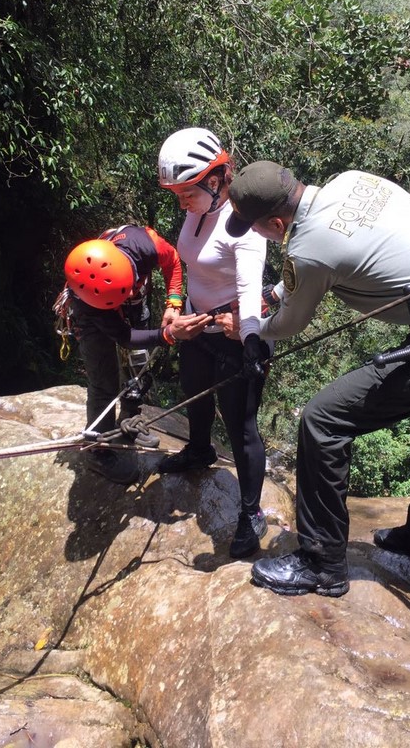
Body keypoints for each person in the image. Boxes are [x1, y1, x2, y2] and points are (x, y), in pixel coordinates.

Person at [225, 160, 410, 596]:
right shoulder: (352, 181)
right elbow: (336, 251)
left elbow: (289, 323)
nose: (254, 233)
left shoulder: (308, 249)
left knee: (323, 420)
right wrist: (279, 291)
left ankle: (322, 563)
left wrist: (250, 329)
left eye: (254, 226)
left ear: (275, 223)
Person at [157, 128, 272, 558]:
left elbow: (249, 285)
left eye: (186, 193)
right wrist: (175, 305)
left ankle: (251, 513)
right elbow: (186, 262)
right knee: (195, 394)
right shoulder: (199, 209)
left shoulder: (244, 225)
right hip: (198, 326)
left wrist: (251, 338)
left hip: (233, 335)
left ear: (216, 180)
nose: (181, 203)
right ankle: (200, 450)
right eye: (177, 195)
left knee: (241, 425)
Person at [58, 226, 210, 484]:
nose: (128, 294)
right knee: (103, 382)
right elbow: (124, 337)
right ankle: (97, 451)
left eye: (128, 288)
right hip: (93, 316)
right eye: (124, 292)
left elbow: (172, 260)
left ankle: (130, 417)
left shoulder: (146, 245)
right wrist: (167, 335)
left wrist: (174, 303)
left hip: (136, 307)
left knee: (139, 363)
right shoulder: (87, 299)